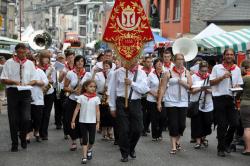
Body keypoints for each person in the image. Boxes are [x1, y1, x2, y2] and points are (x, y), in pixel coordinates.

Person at [109, 61, 150, 162]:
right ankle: (124, 153)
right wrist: (112, 107)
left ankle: (131, 147)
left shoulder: (142, 73)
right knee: (124, 129)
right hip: (121, 102)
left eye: (135, 60)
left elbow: (144, 89)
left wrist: (132, 83)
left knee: (138, 129)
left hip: (135, 102)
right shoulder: (117, 72)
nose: (133, 62)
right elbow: (112, 90)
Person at [0, 43, 36, 152]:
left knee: (26, 118)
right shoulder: (9, 63)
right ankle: (14, 143)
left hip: (25, 92)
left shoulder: (30, 63)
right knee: (13, 119)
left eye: (23, 52)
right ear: (16, 52)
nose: (21, 54)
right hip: (13, 91)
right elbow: (3, 79)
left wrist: (28, 83)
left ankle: (23, 137)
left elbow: (34, 79)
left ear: (26, 52)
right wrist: (14, 82)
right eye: (19, 52)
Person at [210, 48, 243, 157]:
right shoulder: (217, 67)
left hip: (231, 98)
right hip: (219, 99)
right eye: (227, 54)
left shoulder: (237, 69)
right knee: (222, 125)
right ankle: (220, 148)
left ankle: (226, 143)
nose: (229, 56)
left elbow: (239, 84)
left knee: (235, 123)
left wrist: (237, 87)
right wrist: (222, 77)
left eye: (231, 54)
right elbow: (211, 82)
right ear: (224, 56)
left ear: (234, 56)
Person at [157, 53, 192, 154]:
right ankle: (173, 146)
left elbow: (190, 86)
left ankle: (177, 140)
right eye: (178, 59)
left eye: (182, 59)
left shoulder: (187, 72)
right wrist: (159, 102)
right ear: (174, 60)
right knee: (173, 124)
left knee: (182, 125)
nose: (180, 61)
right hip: (170, 101)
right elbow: (162, 88)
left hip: (183, 102)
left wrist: (182, 83)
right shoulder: (168, 73)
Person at [64, 55, 92, 151]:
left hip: (84, 102)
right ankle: (73, 141)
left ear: (84, 63)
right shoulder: (70, 73)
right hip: (72, 100)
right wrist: (73, 91)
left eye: (82, 61)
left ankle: (81, 137)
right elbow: (65, 87)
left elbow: (91, 87)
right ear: (75, 62)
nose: (80, 63)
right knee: (71, 120)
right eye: (78, 61)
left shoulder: (88, 75)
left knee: (82, 121)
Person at [71, 80, 100, 164]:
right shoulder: (81, 97)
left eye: (94, 87)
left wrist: (98, 122)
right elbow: (77, 109)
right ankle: (84, 157)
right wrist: (73, 121)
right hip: (82, 122)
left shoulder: (96, 98)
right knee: (85, 139)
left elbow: (97, 111)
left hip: (92, 122)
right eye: (91, 86)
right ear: (85, 87)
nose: (93, 88)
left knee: (91, 141)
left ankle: (89, 149)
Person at [190, 61, 213, 149]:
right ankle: (198, 141)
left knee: (208, 122)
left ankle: (203, 137)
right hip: (197, 103)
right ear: (199, 69)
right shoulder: (194, 77)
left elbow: (215, 90)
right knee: (197, 123)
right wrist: (200, 89)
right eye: (202, 71)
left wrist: (208, 91)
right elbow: (191, 90)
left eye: (205, 71)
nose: (204, 73)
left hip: (208, 104)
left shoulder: (211, 77)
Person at [26, 54, 48, 143]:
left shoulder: (40, 71)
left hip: (38, 99)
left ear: (35, 63)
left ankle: (37, 131)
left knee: (38, 118)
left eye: (33, 62)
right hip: (27, 98)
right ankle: (27, 133)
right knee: (27, 118)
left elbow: (45, 82)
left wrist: (37, 82)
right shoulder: (24, 71)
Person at [38, 50, 56, 140]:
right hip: (40, 92)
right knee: (39, 113)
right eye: (45, 58)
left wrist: (51, 81)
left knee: (47, 114)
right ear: (41, 58)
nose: (47, 60)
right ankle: (37, 131)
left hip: (49, 92)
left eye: (48, 58)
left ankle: (44, 133)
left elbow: (54, 81)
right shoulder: (37, 68)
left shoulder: (51, 68)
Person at [147, 58, 166, 141]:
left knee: (162, 117)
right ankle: (155, 135)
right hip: (152, 99)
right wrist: (154, 93)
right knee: (154, 118)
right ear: (154, 65)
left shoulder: (165, 74)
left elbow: (167, 85)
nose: (159, 64)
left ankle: (160, 133)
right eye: (157, 63)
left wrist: (162, 93)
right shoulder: (151, 75)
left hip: (163, 99)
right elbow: (146, 87)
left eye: (161, 63)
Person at [94, 60, 113, 140]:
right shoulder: (98, 74)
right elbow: (94, 83)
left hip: (110, 97)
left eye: (107, 66)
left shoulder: (113, 74)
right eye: (104, 66)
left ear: (110, 67)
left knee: (110, 115)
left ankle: (110, 132)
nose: (105, 68)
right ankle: (104, 132)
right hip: (100, 96)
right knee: (103, 115)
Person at [141, 56, 154, 136]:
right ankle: (143, 128)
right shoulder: (140, 71)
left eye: (150, 62)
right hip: (142, 95)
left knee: (149, 113)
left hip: (151, 95)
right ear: (144, 62)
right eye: (148, 62)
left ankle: (146, 127)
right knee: (143, 113)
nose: (149, 63)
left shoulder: (153, 71)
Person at [240, 59, 250, 155]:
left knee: (247, 128)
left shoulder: (245, 78)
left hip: (246, 104)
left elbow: (238, 91)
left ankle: (248, 149)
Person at [54, 54, 66, 130]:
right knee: (57, 106)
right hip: (57, 88)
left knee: (64, 106)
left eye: (62, 59)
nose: (61, 60)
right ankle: (58, 122)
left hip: (64, 89)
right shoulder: (54, 67)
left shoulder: (66, 67)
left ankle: (63, 120)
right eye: (59, 59)